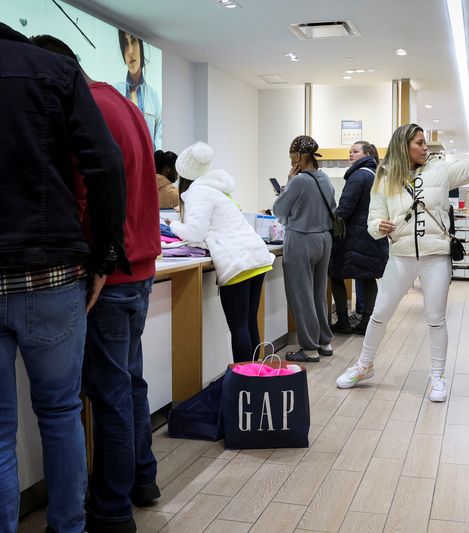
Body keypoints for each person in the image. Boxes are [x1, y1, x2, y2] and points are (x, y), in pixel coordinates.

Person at [31, 33, 163, 532]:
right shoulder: (122, 104)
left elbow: (87, 198)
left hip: (111, 276)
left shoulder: (84, 111)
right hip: (142, 268)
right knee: (129, 384)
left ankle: (111, 509)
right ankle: (142, 480)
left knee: (108, 394)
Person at [0, 23, 128, 533]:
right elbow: (105, 164)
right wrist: (103, 256)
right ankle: (68, 527)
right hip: (50, 274)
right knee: (60, 413)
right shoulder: (54, 68)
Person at [336, 122, 469, 401]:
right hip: (400, 255)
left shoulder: (440, 170)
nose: (424, 146)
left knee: (435, 319)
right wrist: (377, 227)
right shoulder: (383, 177)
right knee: (379, 313)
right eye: (418, 142)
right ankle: (364, 365)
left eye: (424, 142)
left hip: (435, 256)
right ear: (403, 145)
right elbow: (372, 219)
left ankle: (437, 376)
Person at [167, 142, 275, 362]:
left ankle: (243, 383)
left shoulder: (197, 193)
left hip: (237, 262)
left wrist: (172, 225)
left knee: (239, 327)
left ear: (184, 175)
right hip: (255, 257)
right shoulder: (218, 190)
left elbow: (194, 233)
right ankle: (255, 378)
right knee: (249, 322)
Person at [273, 136, 336, 362]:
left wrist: (288, 183)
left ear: (298, 156)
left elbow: (278, 209)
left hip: (301, 238)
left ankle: (308, 348)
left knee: (301, 295)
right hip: (324, 239)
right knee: (318, 293)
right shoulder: (325, 179)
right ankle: (324, 342)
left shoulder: (299, 181)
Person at [329, 141, 389, 335]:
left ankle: (343, 320)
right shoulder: (377, 175)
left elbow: (345, 208)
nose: (350, 155)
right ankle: (367, 322)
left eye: (355, 151)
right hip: (373, 234)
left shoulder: (358, 176)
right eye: (350, 151)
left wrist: (330, 223)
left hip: (354, 237)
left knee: (335, 274)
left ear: (367, 154)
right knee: (368, 277)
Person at [114, 30, 162, 150]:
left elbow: (159, 145)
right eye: (125, 43)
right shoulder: (114, 93)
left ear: (141, 46)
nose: (130, 51)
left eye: (133, 41)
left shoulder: (154, 98)